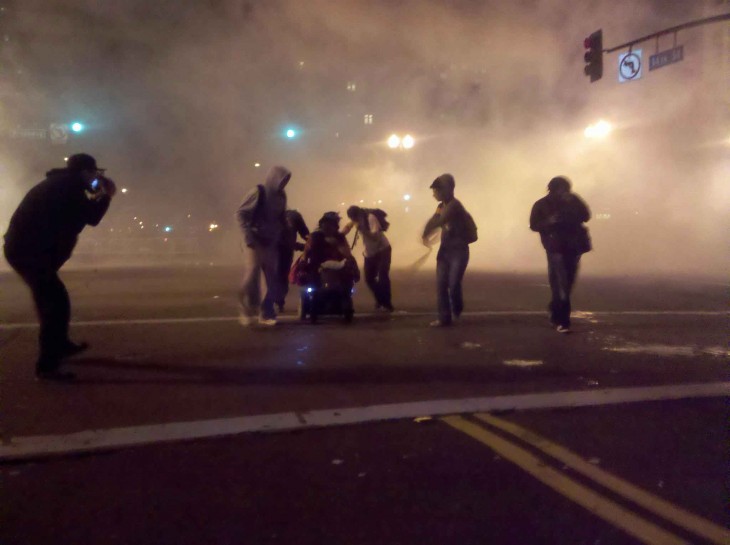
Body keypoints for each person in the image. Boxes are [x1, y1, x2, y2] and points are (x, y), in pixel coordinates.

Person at [3, 153, 117, 380]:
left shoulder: (62, 184)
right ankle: (47, 366)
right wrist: (106, 195)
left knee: (55, 299)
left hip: (27, 250)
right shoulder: (69, 188)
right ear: (85, 172)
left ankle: (60, 345)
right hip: (30, 252)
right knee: (53, 304)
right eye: (94, 172)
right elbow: (92, 217)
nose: (96, 177)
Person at [529, 175, 592, 334]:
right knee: (560, 282)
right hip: (555, 246)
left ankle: (555, 309)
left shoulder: (574, 200)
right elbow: (534, 225)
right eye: (560, 189)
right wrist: (549, 222)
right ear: (552, 189)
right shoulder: (542, 204)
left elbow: (586, 216)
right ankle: (563, 320)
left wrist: (573, 203)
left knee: (568, 281)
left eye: (565, 189)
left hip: (574, 246)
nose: (563, 192)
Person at [236, 165, 291, 326]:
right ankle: (245, 309)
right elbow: (241, 213)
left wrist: (284, 231)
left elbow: (280, 217)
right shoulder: (258, 192)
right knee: (252, 274)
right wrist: (247, 235)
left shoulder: (282, 196)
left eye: (286, 180)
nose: (284, 183)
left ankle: (266, 312)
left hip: (271, 241)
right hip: (254, 240)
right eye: (282, 179)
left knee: (271, 279)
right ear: (274, 178)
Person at [422, 173, 477, 327]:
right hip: (445, 251)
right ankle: (444, 318)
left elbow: (440, 221)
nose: (433, 194)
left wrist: (427, 233)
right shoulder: (441, 206)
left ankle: (457, 309)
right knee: (441, 285)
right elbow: (435, 219)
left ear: (446, 189)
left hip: (459, 252)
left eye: (436, 190)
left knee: (453, 284)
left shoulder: (454, 205)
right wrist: (425, 233)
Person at [341, 205, 393, 312]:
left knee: (383, 276)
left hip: (382, 250)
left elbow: (376, 237)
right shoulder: (357, 220)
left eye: (353, 218)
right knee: (369, 279)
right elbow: (347, 227)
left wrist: (362, 230)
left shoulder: (370, 218)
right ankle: (380, 299)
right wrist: (339, 235)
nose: (353, 220)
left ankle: (387, 303)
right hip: (369, 253)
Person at [276, 209, 310, 312]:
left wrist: (313, 243)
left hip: (286, 251)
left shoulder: (294, 216)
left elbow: (305, 234)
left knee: (283, 274)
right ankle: (275, 300)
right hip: (271, 250)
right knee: (273, 275)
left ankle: (279, 299)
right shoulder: (268, 214)